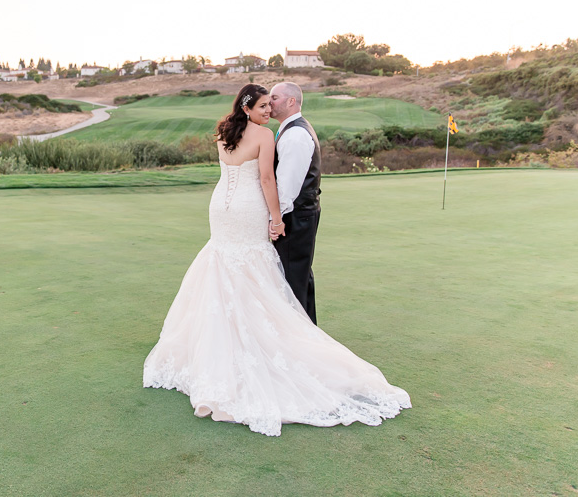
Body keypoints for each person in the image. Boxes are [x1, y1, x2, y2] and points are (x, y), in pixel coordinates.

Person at [143, 84, 410, 437]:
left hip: (220, 208)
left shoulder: (223, 134)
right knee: (253, 272)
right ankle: (265, 341)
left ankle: (220, 348)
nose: (269, 110)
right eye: (265, 105)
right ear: (249, 106)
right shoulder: (265, 136)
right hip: (249, 209)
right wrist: (276, 217)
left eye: (273, 104)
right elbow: (267, 179)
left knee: (223, 267)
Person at [268, 82, 320, 324]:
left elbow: (286, 188)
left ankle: (299, 339)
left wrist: (275, 220)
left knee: (291, 278)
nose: (270, 102)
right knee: (297, 275)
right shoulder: (289, 129)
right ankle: (307, 333)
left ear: (291, 101)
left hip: (295, 217)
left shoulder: (296, 134)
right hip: (299, 215)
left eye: (275, 97)